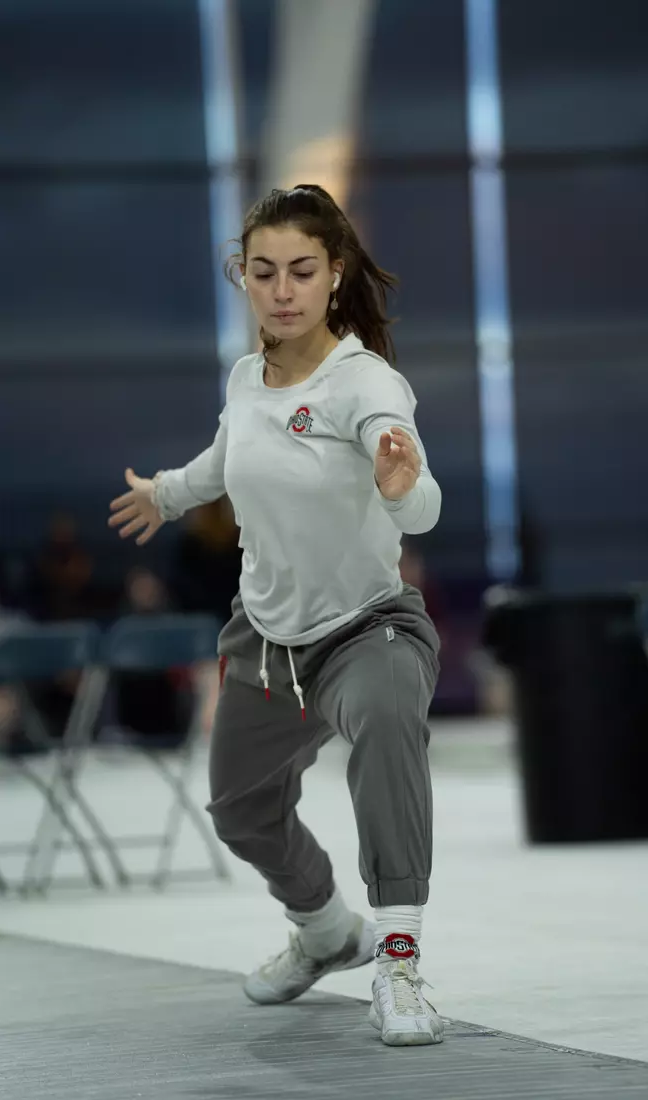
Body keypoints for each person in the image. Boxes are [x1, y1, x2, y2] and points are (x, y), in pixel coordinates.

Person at [108, 184, 444, 1047]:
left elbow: (417, 495)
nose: (282, 289)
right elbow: (227, 457)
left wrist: (404, 491)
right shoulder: (246, 377)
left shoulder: (366, 382)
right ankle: (329, 933)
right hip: (265, 636)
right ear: (243, 279)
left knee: (385, 719)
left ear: (334, 275)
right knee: (238, 812)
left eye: (301, 271)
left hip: (368, 628)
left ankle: (399, 963)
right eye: (263, 273)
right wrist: (167, 495)